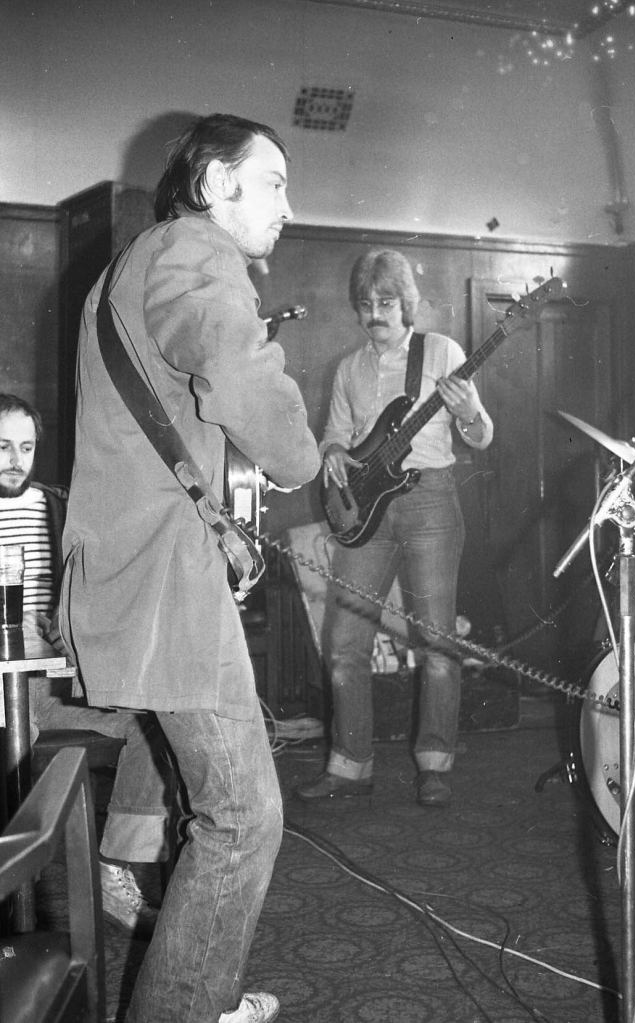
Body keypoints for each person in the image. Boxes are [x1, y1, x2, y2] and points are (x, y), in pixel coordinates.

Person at [60, 113, 320, 1023]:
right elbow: (241, 379)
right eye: (274, 182)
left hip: (153, 567)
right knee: (243, 816)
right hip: (163, 583)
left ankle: (190, 991)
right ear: (214, 185)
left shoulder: (136, 263)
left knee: (229, 806)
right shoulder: (195, 250)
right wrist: (304, 459)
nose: (290, 205)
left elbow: (161, 425)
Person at [296, 249, 494, 808]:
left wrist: (468, 409)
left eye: (385, 303)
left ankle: (434, 764)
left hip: (431, 502)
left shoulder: (443, 352)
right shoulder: (348, 369)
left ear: (407, 304)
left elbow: (482, 436)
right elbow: (334, 434)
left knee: (436, 641)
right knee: (344, 642)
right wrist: (333, 452)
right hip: (366, 512)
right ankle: (350, 764)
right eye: (365, 305)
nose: (374, 314)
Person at [0, 392, 175, 937]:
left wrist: (73, 625)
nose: (15, 460)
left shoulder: (59, 507)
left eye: (26, 447)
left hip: (48, 686)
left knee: (153, 722)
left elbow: (99, 588)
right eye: (2, 447)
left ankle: (113, 865)